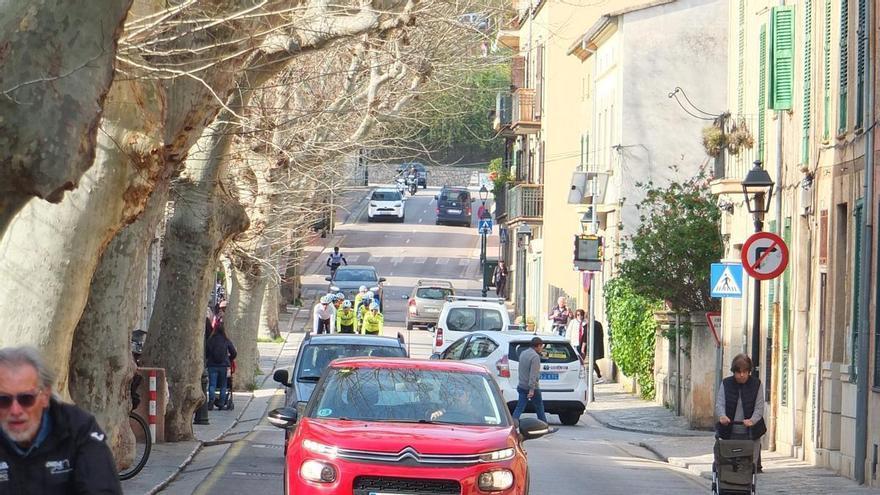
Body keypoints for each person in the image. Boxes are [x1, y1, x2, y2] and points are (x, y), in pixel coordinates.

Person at [0, 346, 122, 493]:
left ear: (45, 396)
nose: (15, 410)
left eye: (26, 399)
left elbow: (103, 489)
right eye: (3, 400)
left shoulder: (79, 429)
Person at [716, 353, 765, 473]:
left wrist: (752, 420)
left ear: (749, 371)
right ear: (734, 372)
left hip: (751, 433)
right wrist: (722, 415)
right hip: (730, 432)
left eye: (745, 371)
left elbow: (759, 407)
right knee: (730, 465)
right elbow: (720, 403)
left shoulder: (756, 384)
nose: (742, 375)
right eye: (738, 372)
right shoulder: (726, 383)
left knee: (749, 466)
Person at [511, 337, 556, 432]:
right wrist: (532, 389)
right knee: (539, 407)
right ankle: (545, 427)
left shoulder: (523, 353)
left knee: (519, 407)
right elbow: (533, 374)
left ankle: (512, 426)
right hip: (532, 387)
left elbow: (522, 370)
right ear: (538, 346)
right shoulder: (535, 357)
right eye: (541, 346)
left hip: (522, 385)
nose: (542, 349)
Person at [206, 323, 237, 411]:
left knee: (212, 385)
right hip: (224, 365)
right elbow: (234, 352)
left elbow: (207, 353)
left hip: (212, 365)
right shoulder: (226, 340)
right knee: (223, 385)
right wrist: (229, 359)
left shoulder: (210, 340)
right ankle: (221, 403)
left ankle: (211, 401)